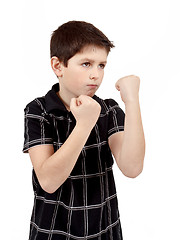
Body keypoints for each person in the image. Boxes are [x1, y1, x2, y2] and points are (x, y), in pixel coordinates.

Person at [23, 20, 145, 240]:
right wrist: (85, 124)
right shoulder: (39, 110)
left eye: (102, 65)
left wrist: (132, 101)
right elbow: (49, 181)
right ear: (58, 66)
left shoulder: (108, 110)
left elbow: (132, 167)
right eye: (86, 64)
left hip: (104, 231)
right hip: (52, 232)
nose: (96, 74)